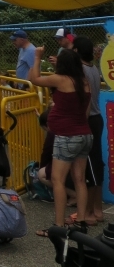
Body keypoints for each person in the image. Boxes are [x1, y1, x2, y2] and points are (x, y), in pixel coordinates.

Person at [28, 47, 91, 236]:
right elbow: (86, 113)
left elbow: (34, 79)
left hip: (67, 136)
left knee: (57, 180)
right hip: (85, 135)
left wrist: (37, 58)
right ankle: (80, 222)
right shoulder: (84, 82)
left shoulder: (60, 80)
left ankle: (58, 227)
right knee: (80, 180)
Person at [72, 36, 105, 226]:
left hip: (88, 120)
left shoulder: (80, 70)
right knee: (97, 163)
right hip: (97, 118)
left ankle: (90, 213)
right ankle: (98, 210)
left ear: (77, 51)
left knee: (90, 168)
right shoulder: (93, 68)